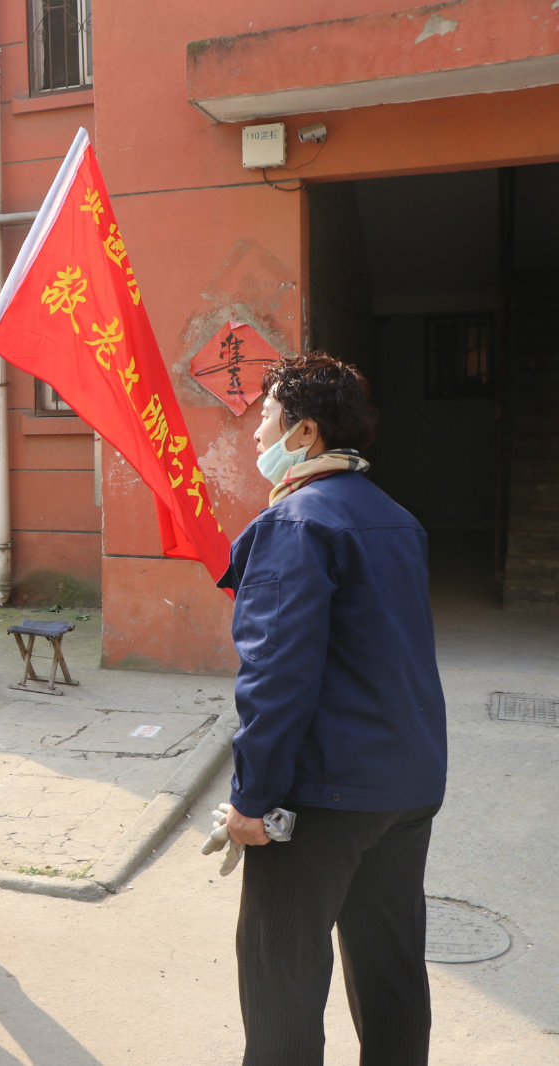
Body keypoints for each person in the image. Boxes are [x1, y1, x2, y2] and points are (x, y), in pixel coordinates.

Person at [221, 352, 447, 1066]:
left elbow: (275, 674)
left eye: (265, 418)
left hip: (323, 794)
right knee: (391, 974)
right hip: (406, 783)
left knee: (281, 983)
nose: (257, 434)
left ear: (305, 432)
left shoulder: (296, 522)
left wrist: (252, 798)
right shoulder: (396, 518)